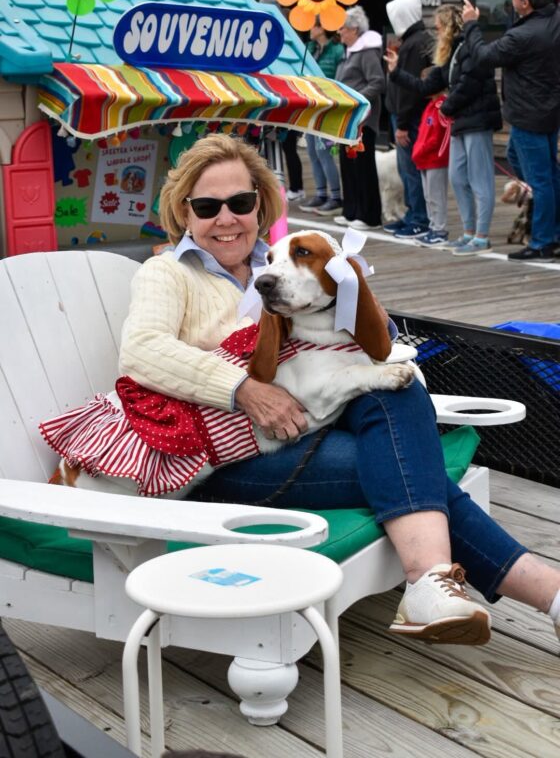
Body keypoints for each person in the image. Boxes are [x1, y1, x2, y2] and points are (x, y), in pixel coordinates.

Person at [42, 134, 560, 647]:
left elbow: (356, 347)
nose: (226, 218)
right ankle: (525, 591)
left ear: (260, 205)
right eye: (207, 206)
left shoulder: (281, 263)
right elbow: (143, 352)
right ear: (184, 213)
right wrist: (243, 388)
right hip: (216, 460)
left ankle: (440, 584)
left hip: (305, 427)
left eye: (240, 202)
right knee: (408, 469)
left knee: (397, 402)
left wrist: (364, 308)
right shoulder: (168, 273)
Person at [385, 3, 502, 255]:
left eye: (439, 27)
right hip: (459, 121)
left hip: (477, 120)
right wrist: (396, 73)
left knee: (480, 179)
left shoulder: (470, 48)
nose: (436, 32)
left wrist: (446, 107)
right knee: (457, 177)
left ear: (449, 27)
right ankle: (468, 232)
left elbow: (468, 85)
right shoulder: (450, 54)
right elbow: (426, 86)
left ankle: (481, 236)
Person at [462, 0, 560, 262]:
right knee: (535, 167)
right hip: (548, 111)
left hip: (530, 114)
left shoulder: (523, 36)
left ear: (525, 2)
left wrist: (471, 24)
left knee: (541, 180)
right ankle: (553, 231)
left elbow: (483, 57)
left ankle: (543, 242)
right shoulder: (554, 20)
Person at [383, 0, 432, 239]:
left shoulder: (414, 44)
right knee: (408, 170)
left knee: (410, 170)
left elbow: (409, 89)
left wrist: (402, 124)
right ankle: (413, 214)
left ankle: (419, 218)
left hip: (408, 118)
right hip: (408, 116)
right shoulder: (416, 40)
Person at [334, 5, 385, 231]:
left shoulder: (366, 52)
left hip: (363, 118)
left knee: (363, 166)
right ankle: (352, 210)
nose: (339, 32)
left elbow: (378, 81)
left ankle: (369, 215)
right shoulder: (349, 52)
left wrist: (357, 99)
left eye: (343, 28)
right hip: (347, 118)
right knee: (348, 164)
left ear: (354, 29)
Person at [299, 20, 345, 216]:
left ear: (322, 28)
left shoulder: (337, 50)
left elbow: (340, 79)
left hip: (328, 108)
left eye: (313, 25)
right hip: (311, 107)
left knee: (324, 152)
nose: (309, 29)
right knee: (312, 152)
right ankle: (321, 194)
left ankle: (336, 197)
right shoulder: (309, 48)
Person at [409, 80, 450, 246]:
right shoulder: (430, 106)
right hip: (424, 159)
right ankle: (433, 226)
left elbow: (436, 137)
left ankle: (440, 230)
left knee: (436, 196)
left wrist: (420, 150)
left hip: (434, 158)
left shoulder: (441, 106)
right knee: (428, 196)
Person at [281, 129, 305, 202]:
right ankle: (298, 189)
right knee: (291, 152)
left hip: (286, 127)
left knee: (290, 152)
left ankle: (295, 189)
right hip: (289, 128)